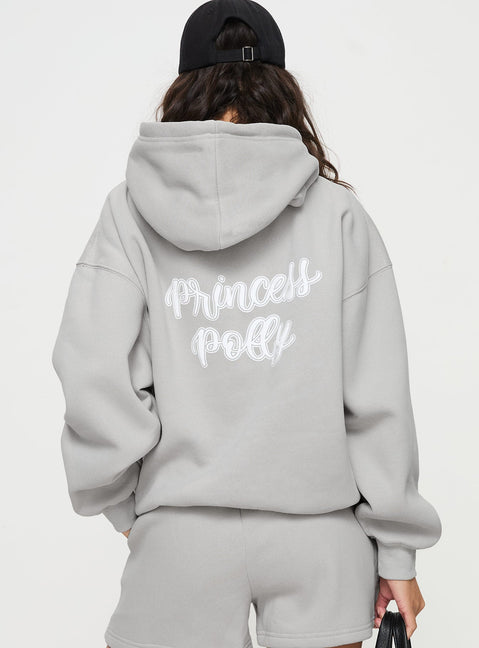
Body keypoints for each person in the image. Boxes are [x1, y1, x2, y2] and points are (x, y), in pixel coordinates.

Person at [51, 1, 442, 647]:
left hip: (181, 536)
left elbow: (94, 373)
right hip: (321, 539)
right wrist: (397, 552)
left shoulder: (128, 213)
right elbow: (377, 398)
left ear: (184, 89)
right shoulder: (337, 215)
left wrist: (124, 505)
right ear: (281, 90)